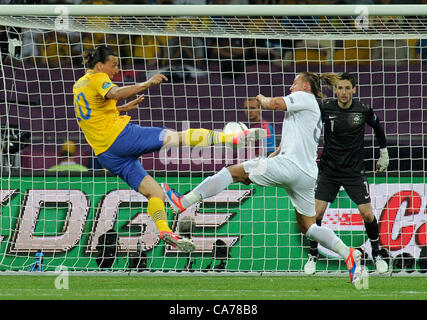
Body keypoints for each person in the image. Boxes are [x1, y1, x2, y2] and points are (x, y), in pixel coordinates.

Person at [163, 72, 364, 287]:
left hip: (291, 167)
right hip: (306, 173)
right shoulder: (307, 111)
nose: (290, 88)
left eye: (293, 84)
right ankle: (348, 253)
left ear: (305, 85)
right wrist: (265, 163)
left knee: (231, 172)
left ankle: (182, 202)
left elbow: (275, 104)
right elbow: (282, 148)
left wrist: (260, 100)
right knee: (308, 227)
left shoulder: (305, 98)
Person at [73, 45, 264, 253]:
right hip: (120, 136)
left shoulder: (79, 85)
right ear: (100, 65)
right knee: (177, 137)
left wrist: (119, 109)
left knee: (155, 193)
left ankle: (165, 231)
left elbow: (94, 112)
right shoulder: (98, 78)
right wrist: (146, 83)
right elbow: (115, 92)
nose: (117, 70)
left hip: (106, 154)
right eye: (114, 65)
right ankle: (232, 138)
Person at [303, 72, 389, 276]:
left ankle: (377, 256)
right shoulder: (325, 108)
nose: (343, 92)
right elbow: (309, 125)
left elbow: (378, 128)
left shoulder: (364, 110)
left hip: (354, 171)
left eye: (347, 88)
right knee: (316, 215)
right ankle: (312, 257)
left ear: (354, 90)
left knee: (367, 214)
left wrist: (383, 152)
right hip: (329, 170)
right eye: (339, 88)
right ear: (335, 90)